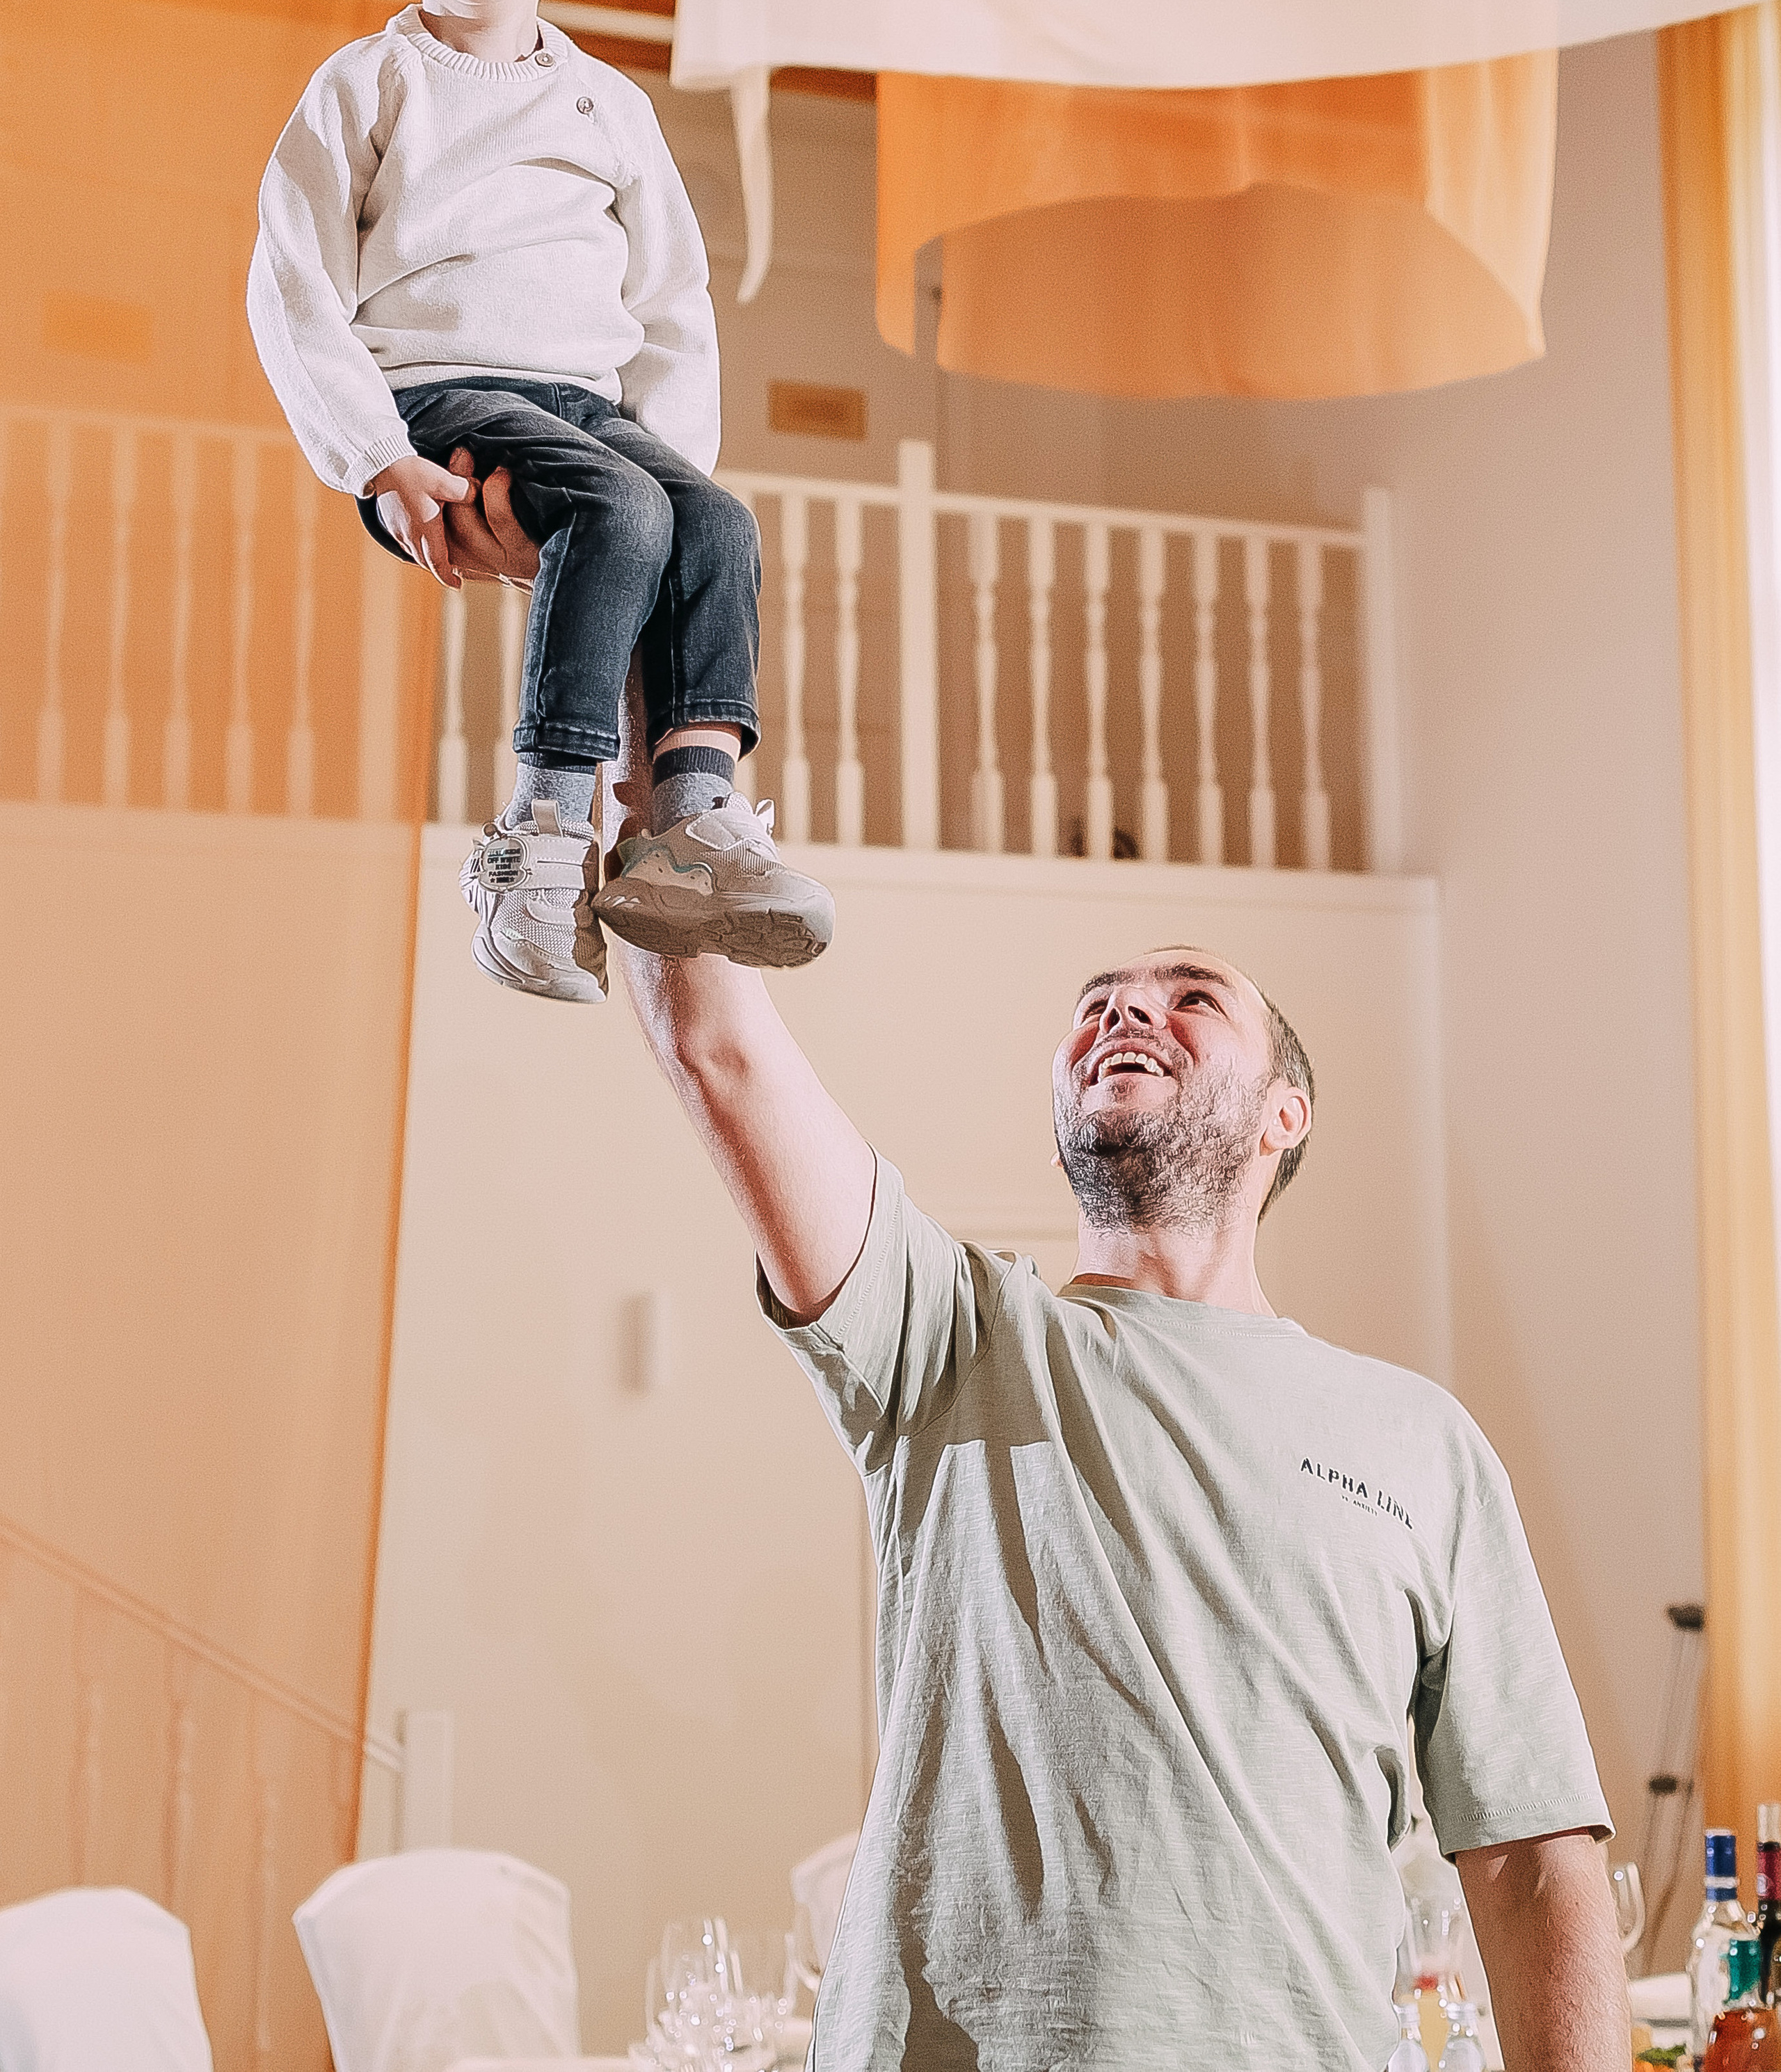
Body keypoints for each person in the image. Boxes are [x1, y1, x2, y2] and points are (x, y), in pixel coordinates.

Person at [442, 476, 1631, 2069]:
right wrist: (626, 578)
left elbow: (1533, 1861)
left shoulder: (1424, 1445)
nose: (1120, 1010)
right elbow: (713, 1038)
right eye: (1094, 997)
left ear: (1284, 1116)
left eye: (1187, 994)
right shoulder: (947, 1337)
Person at [246, 0, 833, 1003]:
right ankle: (544, 827)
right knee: (623, 506)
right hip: (432, 390)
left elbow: (673, 301)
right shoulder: (366, 86)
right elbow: (291, 287)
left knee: (715, 522)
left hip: (584, 408)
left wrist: (674, 478)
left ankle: (687, 814)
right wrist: (376, 457)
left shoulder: (608, 106)